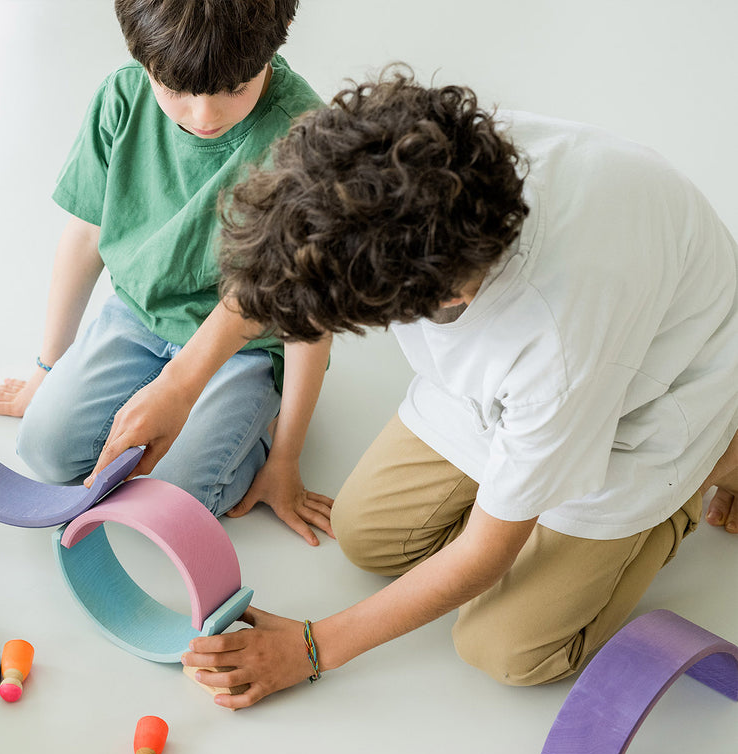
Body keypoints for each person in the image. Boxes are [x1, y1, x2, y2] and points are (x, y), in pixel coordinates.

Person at [182, 70, 738, 707]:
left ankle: (710, 465)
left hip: (652, 405)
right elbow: (300, 256)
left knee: (503, 647)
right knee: (366, 537)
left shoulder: (551, 342)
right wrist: (180, 385)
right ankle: (537, 499)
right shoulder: (432, 162)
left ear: (445, 295)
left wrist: (314, 647)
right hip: (531, 377)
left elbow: (481, 556)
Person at [0, 0, 333, 545]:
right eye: (175, 90)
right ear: (143, 61)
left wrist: (285, 458)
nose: (205, 115)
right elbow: (86, 234)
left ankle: (257, 412)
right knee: (42, 449)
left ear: (273, 48)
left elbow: (311, 319)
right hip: (136, 318)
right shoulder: (121, 97)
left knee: (170, 498)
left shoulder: (304, 136)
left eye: (233, 88)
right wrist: (47, 369)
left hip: (244, 350)